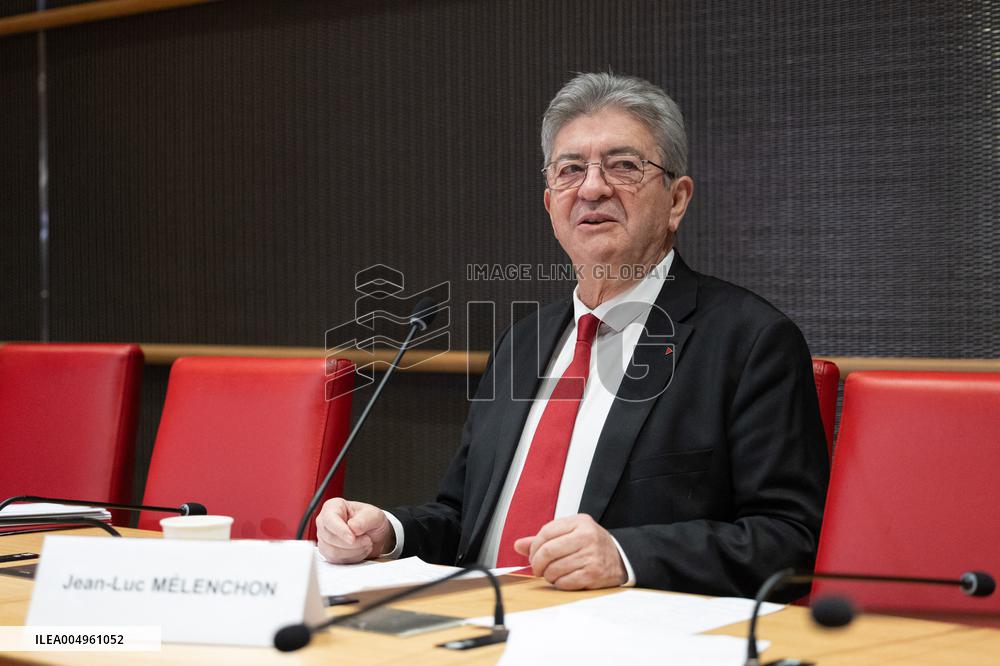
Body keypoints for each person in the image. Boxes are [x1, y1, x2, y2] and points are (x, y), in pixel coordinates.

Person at [315, 72, 830, 598]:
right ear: (551, 206)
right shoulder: (522, 343)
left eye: (623, 165)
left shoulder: (750, 342)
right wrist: (389, 532)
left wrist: (627, 557)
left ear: (677, 200)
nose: (592, 187)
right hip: (478, 628)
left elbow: (791, 538)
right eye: (570, 170)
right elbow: (464, 518)